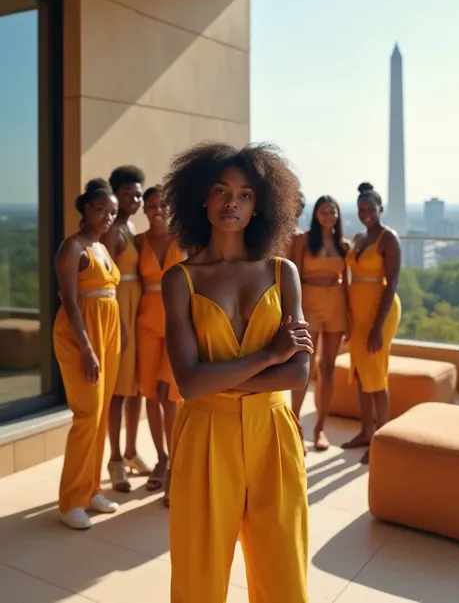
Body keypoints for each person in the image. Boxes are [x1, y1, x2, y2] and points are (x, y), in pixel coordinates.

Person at [162, 142, 312, 603]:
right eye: (221, 190)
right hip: (206, 439)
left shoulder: (282, 271)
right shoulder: (180, 279)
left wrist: (218, 378)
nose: (232, 202)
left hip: (274, 436)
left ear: (260, 205)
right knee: (199, 579)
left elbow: (299, 373)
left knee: (284, 577)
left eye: (246, 194)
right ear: (201, 199)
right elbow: (187, 382)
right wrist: (269, 356)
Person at [53, 179, 122, 529]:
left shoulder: (101, 246)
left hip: (108, 332)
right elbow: (69, 301)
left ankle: (92, 488)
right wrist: (86, 348)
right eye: (101, 210)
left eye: (112, 211)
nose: (108, 216)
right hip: (82, 335)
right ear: (85, 209)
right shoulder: (72, 248)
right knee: (87, 414)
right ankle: (71, 501)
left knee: (101, 412)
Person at [342, 183, 401, 464]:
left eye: (370, 209)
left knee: (376, 375)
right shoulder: (358, 237)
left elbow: (392, 285)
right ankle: (365, 432)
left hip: (380, 311)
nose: (365, 213)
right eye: (361, 209)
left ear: (381, 209)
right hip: (357, 311)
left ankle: (381, 439)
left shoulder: (389, 239)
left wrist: (378, 326)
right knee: (360, 372)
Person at [102, 166, 150, 492]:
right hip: (120, 313)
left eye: (138, 194)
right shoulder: (112, 233)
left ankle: (132, 451)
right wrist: (119, 323)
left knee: (137, 389)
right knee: (119, 392)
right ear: (115, 194)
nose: (136, 198)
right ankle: (115, 458)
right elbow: (105, 280)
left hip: (138, 313)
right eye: (129, 193)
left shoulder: (131, 227)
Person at [136, 185, 185, 504]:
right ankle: (161, 459)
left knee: (171, 395)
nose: (158, 210)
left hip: (177, 320)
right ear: (144, 210)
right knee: (151, 394)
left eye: (163, 205)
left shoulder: (185, 240)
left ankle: (177, 468)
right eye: (151, 205)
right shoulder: (137, 242)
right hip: (146, 322)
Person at [292, 195, 350, 451]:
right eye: (323, 210)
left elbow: (346, 282)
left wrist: (349, 315)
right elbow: (291, 273)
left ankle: (319, 428)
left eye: (332, 211)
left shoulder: (344, 245)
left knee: (328, 368)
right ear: (316, 215)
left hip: (335, 304)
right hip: (310, 303)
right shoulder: (303, 240)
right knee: (305, 367)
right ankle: (295, 427)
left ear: (338, 215)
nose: (328, 214)